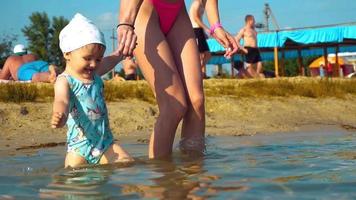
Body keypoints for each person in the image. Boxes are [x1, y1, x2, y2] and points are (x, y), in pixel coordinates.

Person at [116, 0, 239, 159]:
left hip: (177, 14)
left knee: (196, 102)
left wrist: (216, 26)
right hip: (145, 12)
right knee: (174, 105)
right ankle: (163, 177)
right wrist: (126, 22)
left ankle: (193, 172)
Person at [51, 13, 132, 168]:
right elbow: (61, 100)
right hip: (79, 147)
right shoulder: (65, 80)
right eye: (88, 58)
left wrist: (122, 53)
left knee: (127, 165)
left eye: (98, 59)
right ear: (67, 53)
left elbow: (111, 60)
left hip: (105, 143)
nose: (94, 64)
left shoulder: (94, 73)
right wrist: (60, 114)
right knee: (73, 180)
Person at [189, 0, 211, 79]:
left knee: (207, 54)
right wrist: (206, 29)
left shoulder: (202, 4)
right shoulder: (197, 3)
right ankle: (196, 73)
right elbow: (195, 18)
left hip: (199, 30)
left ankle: (200, 72)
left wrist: (203, 32)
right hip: (195, 30)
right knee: (200, 55)